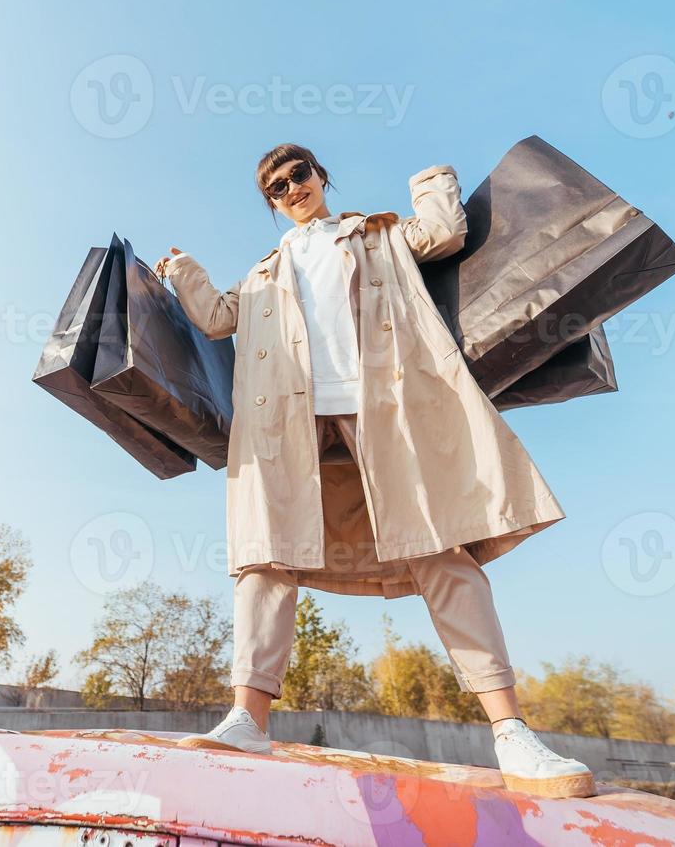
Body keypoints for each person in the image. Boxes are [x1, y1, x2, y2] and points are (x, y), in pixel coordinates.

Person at [153, 143, 595, 799]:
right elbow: (218, 318)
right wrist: (184, 271)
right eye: (276, 186)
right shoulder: (266, 271)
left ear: (320, 176)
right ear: (272, 204)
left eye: (298, 174)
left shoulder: (375, 235)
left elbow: (445, 232)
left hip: (384, 404)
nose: (291, 188)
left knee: (440, 548)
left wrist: (431, 178)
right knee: (263, 559)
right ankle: (248, 719)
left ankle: (512, 735)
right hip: (286, 421)